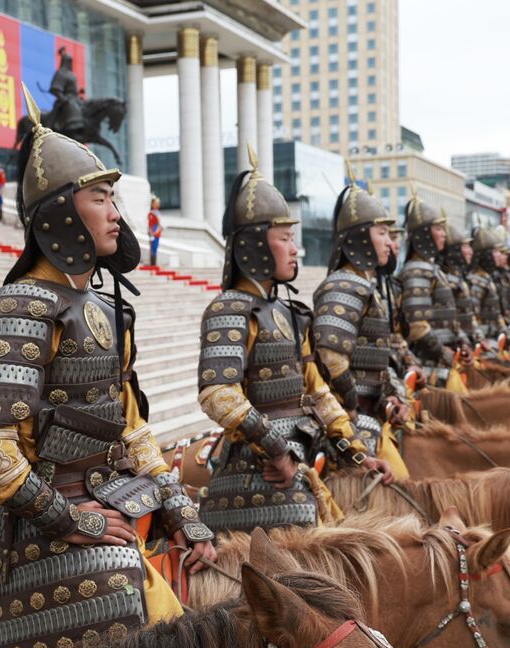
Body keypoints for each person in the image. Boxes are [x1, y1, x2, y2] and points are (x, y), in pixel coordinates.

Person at [0, 86, 215, 648]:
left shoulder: (106, 308)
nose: (118, 214)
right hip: (47, 533)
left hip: (116, 500)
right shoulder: (19, 306)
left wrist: (179, 509)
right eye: (102, 199)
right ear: (63, 212)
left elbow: (132, 430)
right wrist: (73, 521)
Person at [195, 148, 387, 534]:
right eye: (285, 238)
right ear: (255, 247)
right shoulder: (229, 309)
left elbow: (316, 391)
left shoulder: (290, 313)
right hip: (255, 473)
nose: (296, 249)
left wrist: (356, 451)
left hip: (301, 456)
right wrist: (276, 449)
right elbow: (218, 394)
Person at [313, 179, 412, 478]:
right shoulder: (344, 284)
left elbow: (373, 361)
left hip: (370, 411)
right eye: (381, 233)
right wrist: (352, 405)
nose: (389, 242)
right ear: (359, 238)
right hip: (347, 418)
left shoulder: (363, 284)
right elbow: (331, 358)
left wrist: (388, 399)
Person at [397, 191, 460, 385]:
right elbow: (417, 327)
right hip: (429, 364)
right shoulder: (417, 270)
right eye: (438, 229)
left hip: (442, 358)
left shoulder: (431, 269)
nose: (444, 234)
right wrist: (442, 352)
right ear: (424, 233)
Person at [147, 195, 163, 266]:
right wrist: (150, 231)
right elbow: (149, 223)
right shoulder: (150, 213)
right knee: (151, 247)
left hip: (156, 232)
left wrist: (156, 231)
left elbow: (160, 224)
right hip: (151, 231)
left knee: (155, 247)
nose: (157, 204)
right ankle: (152, 263)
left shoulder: (157, 213)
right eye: (156, 203)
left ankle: (154, 264)